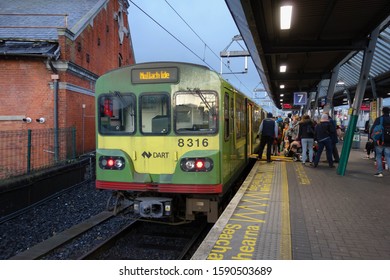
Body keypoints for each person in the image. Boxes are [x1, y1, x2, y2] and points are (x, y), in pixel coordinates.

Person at [370, 106, 390, 177]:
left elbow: (373, 129)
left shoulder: (379, 119)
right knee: (388, 156)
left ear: (382, 111)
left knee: (378, 156)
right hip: (389, 142)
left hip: (380, 141)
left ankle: (380, 172)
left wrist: (371, 137)